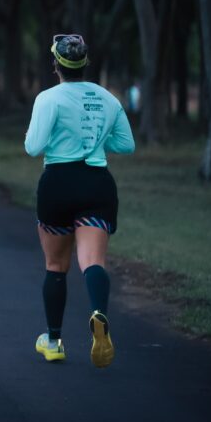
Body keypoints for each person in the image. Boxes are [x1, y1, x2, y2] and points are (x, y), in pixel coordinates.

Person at [24, 34, 135, 367]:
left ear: (55, 64)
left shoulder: (48, 98)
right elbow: (126, 145)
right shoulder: (108, 98)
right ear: (86, 64)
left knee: (56, 266)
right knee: (93, 262)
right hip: (97, 184)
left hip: (58, 182)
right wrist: (96, 142)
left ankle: (54, 341)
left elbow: (33, 147)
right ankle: (99, 314)